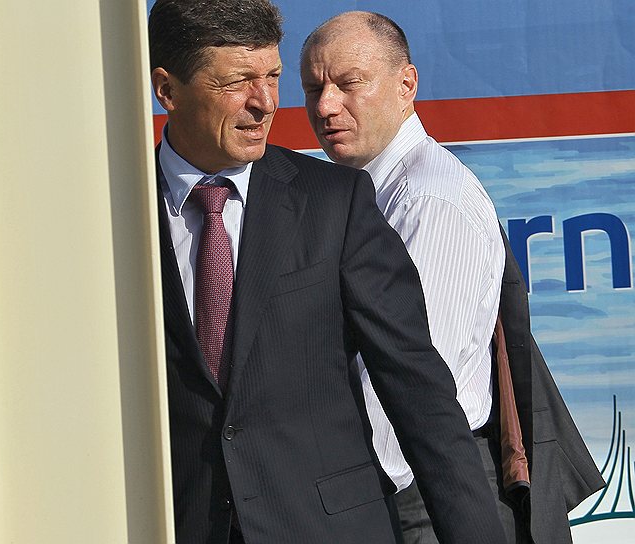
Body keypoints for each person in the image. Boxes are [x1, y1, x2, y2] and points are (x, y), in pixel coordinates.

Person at [148, 1, 506, 542]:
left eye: (272, 77)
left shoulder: (335, 203)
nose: (265, 102)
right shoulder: (110, 218)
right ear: (167, 90)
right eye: (238, 82)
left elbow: (419, 392)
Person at [300, 11, 604, 544]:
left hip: (418, 498)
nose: (326, 106)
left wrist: (329, 504)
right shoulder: (362, 195)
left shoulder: (429, 201)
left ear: (406, 85)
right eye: (313, 88)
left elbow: (412, 388)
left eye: (349, 84)